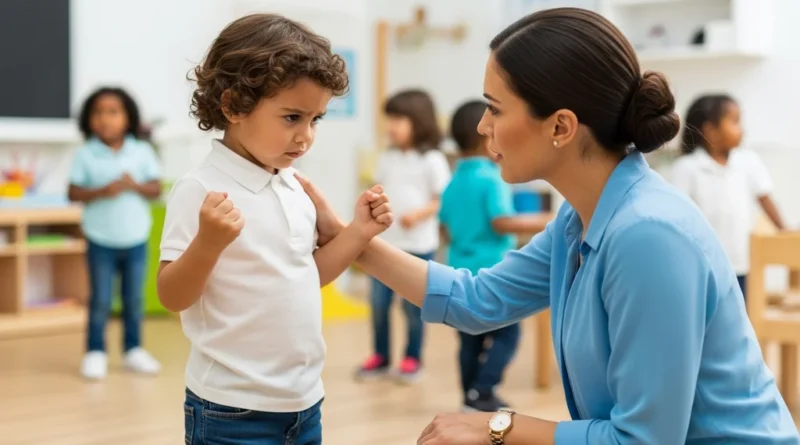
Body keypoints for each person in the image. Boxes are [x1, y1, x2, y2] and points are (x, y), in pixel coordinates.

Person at [296, 8, 800, 445]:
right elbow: (479, 300)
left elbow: (643, 440)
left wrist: (497, 427)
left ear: (560, 126)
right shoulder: (578, 218)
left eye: (495, 108)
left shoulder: (649, 236)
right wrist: (352, 240)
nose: (480, 127)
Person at [156, 14, 392, 445]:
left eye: (316, 119)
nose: (305, 137)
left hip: (304, 403)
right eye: (291, 117)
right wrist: (208, 245)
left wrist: (359, 232)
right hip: (230, 410)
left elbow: (305, 277)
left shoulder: (291, 184)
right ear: (233, 106)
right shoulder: (200, 189)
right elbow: (172, 295)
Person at [442, 100, 549, 413]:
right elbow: (501, 221)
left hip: (459, 272)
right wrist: (547, 219)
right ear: (485, 137)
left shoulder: (453, 181)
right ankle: (483, 390)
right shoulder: (491, 177)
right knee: (508, 335)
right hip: (493, 274)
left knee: (468, 341)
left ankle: (470, 396)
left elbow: (445, 229)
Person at [355, 89, 451, 384]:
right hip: (385, 243)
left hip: (418, 245)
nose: (390, 127)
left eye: (398, 119)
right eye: (389, 119)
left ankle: (413, 358)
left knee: (414, 308)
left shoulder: (433, 160)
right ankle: (381, 356)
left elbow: (442, 200)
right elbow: (379, 190)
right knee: (379, 306)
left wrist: (419, 214)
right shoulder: (388, 158)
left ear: (418, 121)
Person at [68, 87, 162, 380]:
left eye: (113, 112)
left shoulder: (142, 151)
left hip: (135, 238)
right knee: (101, 300)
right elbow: (73, 192)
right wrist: (102, 191)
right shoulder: (86, 154)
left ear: (127, 118)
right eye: (98, 112)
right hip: (100, 239)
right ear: (88, 119)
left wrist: (135, 185)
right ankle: (95, 351)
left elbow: (156, 189)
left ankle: (133, 349)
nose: (105, 119)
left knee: (133, 299)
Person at [672, 94, 786, 301]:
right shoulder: (687, 168)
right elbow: (678, 218)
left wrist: (784, 230)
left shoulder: (748, 162)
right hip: (705, 267)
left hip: (744, 265)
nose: (742, 129)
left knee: (743, 319)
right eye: (734, 122)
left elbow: (765, 199)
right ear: (711, 131)